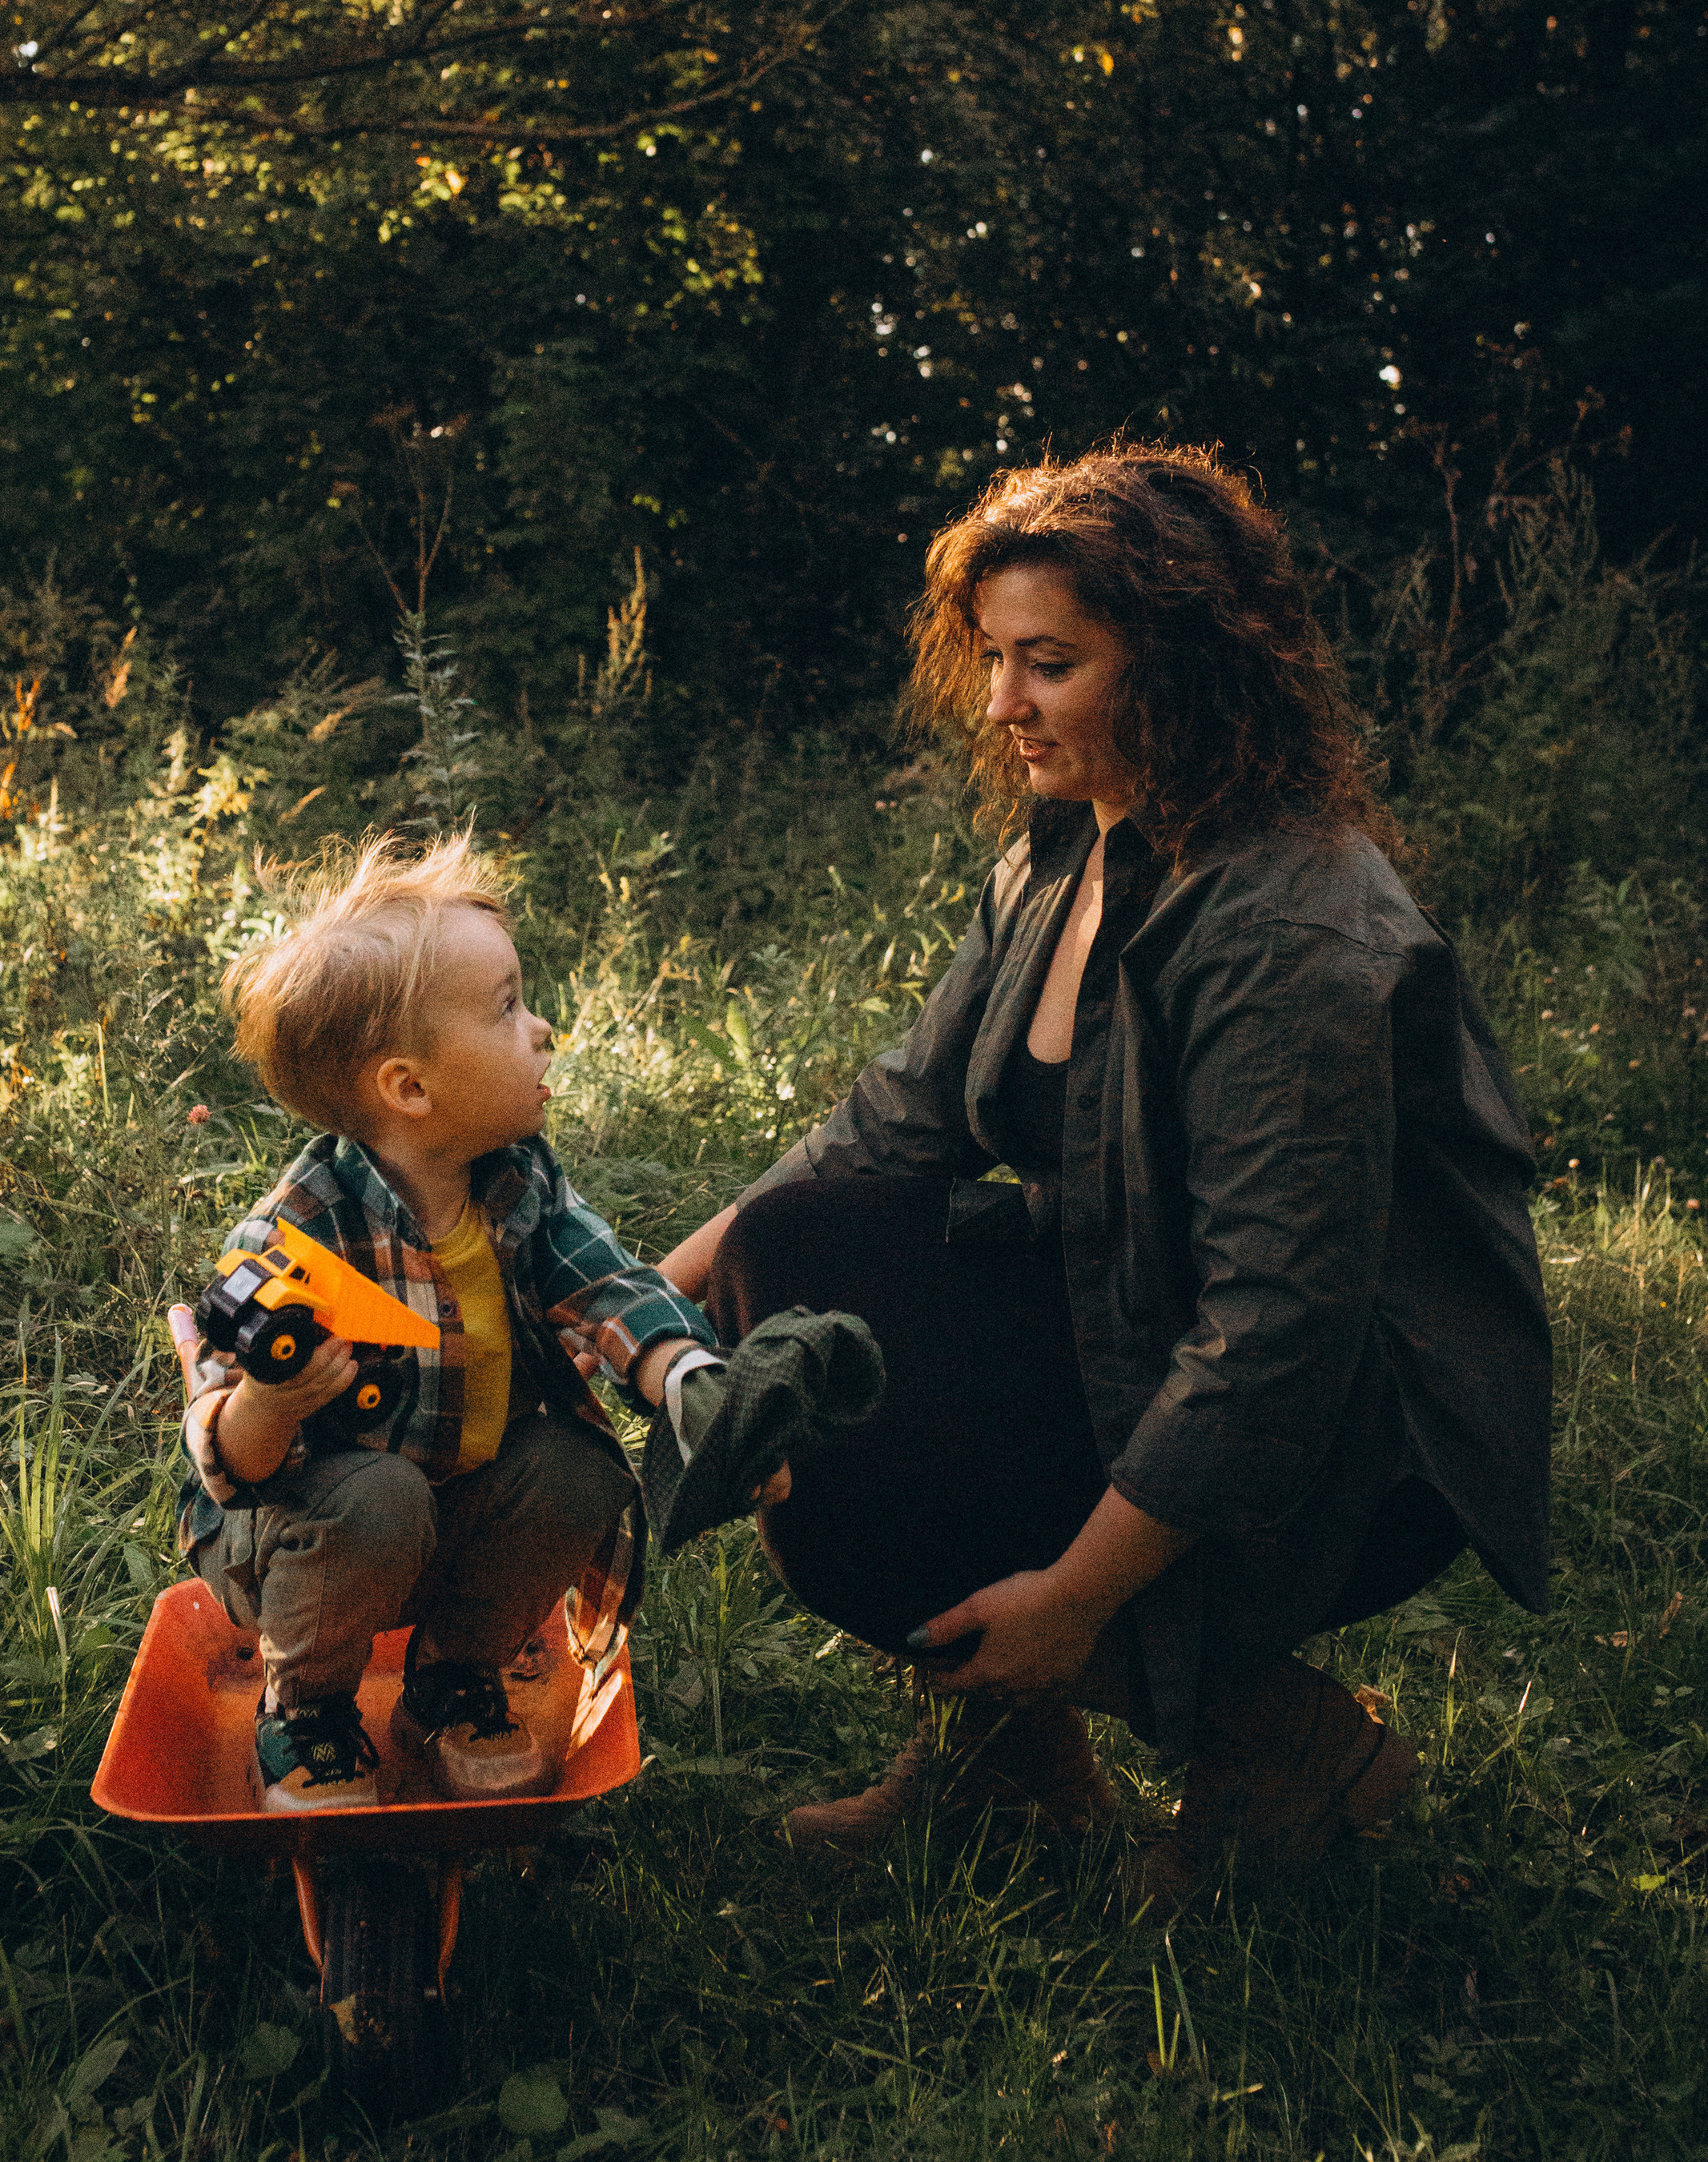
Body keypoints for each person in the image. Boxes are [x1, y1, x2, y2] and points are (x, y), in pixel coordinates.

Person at [659, 444, 1551, 1883]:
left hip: (1341, 1441)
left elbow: (1278, 1334)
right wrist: (627, 1303)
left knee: (856, 1495)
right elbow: (894, 1121)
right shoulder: (1066, 847)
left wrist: (1073, 1601)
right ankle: (1010, 1769)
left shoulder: (1294, 930)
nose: (1003, 703)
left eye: (1051, 663)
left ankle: (1286, 1745)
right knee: (802, 1278)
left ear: (1184, 666)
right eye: (997, 659)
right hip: (1133, 1317)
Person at [175, 830, 721, 1811]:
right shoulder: (298, 1232)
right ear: (411, 1088)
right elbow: (224, 1452)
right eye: (508, 1008)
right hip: (302, 1538)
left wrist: (679, 1368)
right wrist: (271, 1399)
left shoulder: (519, 1184)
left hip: (459, 1514)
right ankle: (304, 1708)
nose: (542, 1027)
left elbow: (608, 1282)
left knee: (578, 1467)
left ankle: (451, 1675)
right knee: (378, 1493)